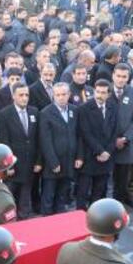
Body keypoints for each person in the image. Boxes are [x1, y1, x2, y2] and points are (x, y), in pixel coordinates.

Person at [39, 82, 83, 214]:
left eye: (64, 94)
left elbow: (79, 135)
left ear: (69, 94)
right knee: (49, 195)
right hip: (54, 163)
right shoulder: (46, 113)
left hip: (69, 161)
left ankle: (60, 219)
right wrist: (53, 162)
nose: (61, 97)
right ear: (53, 96)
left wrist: (80, 156)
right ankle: (46, 221)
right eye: (57, 95)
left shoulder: (75, 110)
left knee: (62, 194)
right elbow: (45, 141)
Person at [0, 82, 40, 218]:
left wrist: (38, 161)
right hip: (13, 166)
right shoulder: (5, 114)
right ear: (13, 96)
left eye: (26, 95)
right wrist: (8, 165)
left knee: (25, 199)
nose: (24, 98)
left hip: (29, 164)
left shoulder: (34, 112)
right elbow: (4, 141)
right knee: (9, 199)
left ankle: (25, 221)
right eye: (21, 95)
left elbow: (38, 139)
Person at [76, 80, 118, 210]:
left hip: (106, 157)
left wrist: (108, 152)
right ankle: (80, 215)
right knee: (83, 191)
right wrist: (100, 151)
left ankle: (96, 214)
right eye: (98, 92)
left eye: (103, 93)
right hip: (90, 155)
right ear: (94, 91)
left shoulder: (113, 107)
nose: (100, 95)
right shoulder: (84, 108)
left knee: (99, 191)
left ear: (109, 94)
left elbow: (115, 132)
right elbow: (86, 133)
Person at [110, 64, 133, 206]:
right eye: (118, 76)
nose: (121, 79)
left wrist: (125, 138)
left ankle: (118, 206)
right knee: (103, 179)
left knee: (122, 178)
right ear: (113, 75)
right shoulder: (104, 91)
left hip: (125, 144)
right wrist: (112, 140)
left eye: (124, 77)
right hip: (106, 144)